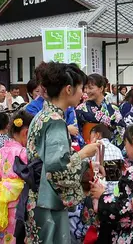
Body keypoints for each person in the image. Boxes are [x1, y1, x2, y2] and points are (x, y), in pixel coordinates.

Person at [24, 62, 100, 243]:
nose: (83, 93)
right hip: (48, 200)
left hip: (38, 197)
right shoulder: (55, 121)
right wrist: (83, 154)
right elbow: (58, 167)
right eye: (81, 88)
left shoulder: (42, 116)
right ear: (68, 89)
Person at [0, 110, 33, 243]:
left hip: (1, 202)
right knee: (16, 236)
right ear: (26, 133)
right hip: (20, 203)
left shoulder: (1, 151)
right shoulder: (24, 153)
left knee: (4, 236)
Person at [76, 74, 124, 148]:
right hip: (88, 149)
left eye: (90, 88)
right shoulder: (81, 109)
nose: (87, 91)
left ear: (101, 88)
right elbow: (77, 132)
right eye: (86, 88)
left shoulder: (114, 109)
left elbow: (120, 131)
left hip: (110, 150)